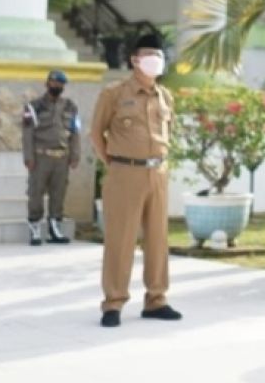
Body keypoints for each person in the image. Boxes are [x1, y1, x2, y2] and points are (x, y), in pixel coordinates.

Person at [90, 33, 182, 328]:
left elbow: (171, 133)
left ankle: (156, 300)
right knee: (121, 239)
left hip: (157, 172)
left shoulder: (165, 96)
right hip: (125, 173)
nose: (155, 60)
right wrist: (115, 164)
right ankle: (113, 303)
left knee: (158, 239)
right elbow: (96, 134)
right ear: (134, 60)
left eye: (159, 54)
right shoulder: (114, 94)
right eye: (148, 55)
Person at [22, 70, 80, 246]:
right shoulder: (33, 106)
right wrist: (28, 156)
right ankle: (35, 227)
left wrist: (75, 154)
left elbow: (75, 132)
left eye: (60, 84)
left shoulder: (70, 106)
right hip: (41, 157)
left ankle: (55, 227)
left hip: (62, 158)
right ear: (47, 83)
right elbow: (27, 133)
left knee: (58, 193)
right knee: (36, 192)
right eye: (54, 82)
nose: (57, 86)